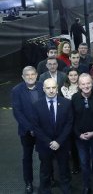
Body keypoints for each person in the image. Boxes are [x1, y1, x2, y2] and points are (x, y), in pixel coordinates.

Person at [32, 78, 73, 194]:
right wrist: (49, 142)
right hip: (44, 144)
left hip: (62, 143)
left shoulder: (66, 103)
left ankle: (66, 189)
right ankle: (45, 190)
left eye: (53, 87)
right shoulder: (36, 105)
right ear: (43, 89)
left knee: (64, 169)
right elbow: (36, 127)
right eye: (48, 88)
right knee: (45, 170)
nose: (51, 90)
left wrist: (58, 141)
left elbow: (69, 124)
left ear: (57, 88)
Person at [12, 66, 44, 194]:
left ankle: (46, 181)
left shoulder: (43, 86)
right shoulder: (16, 90)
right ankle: (29, 183)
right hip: (26, 131)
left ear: (36, 75)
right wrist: (31, 128)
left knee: (45, 157)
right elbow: (17, 112)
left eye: (32, 74)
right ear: (23, 77)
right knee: (27, 157)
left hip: (43, 130)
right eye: (27, 75)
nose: (30, 77)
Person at [72, 74, 93, 194]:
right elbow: (72, 119)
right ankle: (86, 186)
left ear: (92, 83)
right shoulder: (74, 98)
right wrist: (78, 134)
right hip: (80, 138)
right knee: (84, 163)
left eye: (88, 83)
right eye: (83, 84)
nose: (86, 86)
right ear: (79, 85)